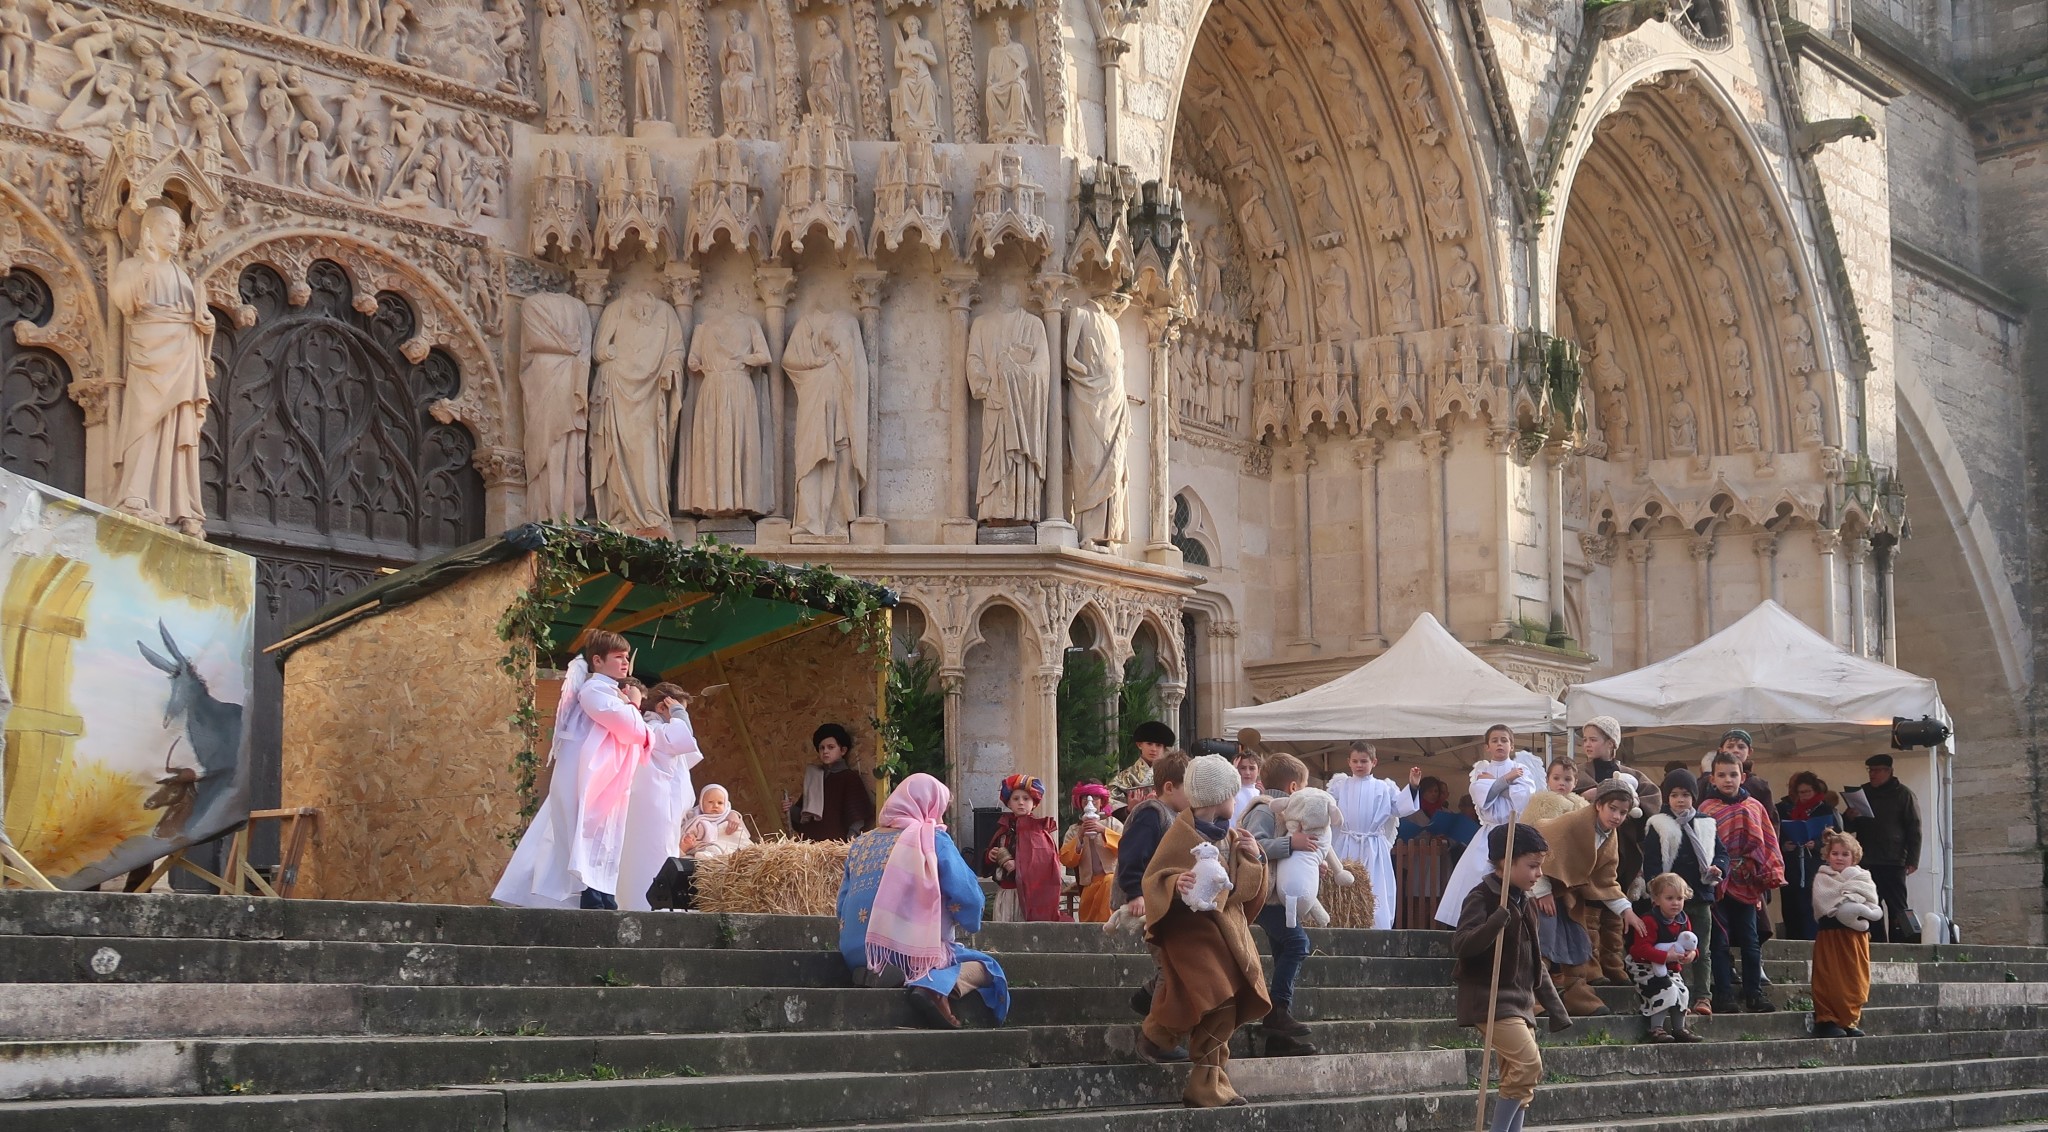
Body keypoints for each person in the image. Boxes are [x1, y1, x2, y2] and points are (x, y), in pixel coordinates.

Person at [494, 632, 671, 910]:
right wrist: (634, 703)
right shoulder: (594, 691)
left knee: (603, 837)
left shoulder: (612, 693)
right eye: (618, 657)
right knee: (587, 836)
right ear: (598, 661)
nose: (625, 662)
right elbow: (631, 728)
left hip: (608, 780)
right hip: (590, 780)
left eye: (626, 657)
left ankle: (601, 893)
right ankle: (590, 894)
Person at [1135, 754, 1270, 1108]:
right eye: (1232, 793)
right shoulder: (1181, 833)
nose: (1236, 799)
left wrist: (1254, 858)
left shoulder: (1234, 835)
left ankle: (1158, 1034)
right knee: (1219, 997)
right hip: (1189, 933)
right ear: (1218, 797)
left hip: (1223, 933)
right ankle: (1206, 1083)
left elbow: (1239, 893)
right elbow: (1154, 878)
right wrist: (1175, 882)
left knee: (1209, 996)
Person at [836, 773, 1010, 1029]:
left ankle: (877, 969)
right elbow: (969, 896)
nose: (940, 817)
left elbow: (842, 903)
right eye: (940, 809)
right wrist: (969, 920)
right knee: (989, 967)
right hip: (903, 951)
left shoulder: (862, 842)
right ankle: (932, 985)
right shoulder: (933, 839)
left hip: (854, 950)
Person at [1453, 822, 1571, 1132]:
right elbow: (1462, 944)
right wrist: (1494, 923)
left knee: (1518, 1078)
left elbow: (1535, 962)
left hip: (1520, 1002)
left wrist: (1555, 1008)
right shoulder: (1482, 897)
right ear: (1506, 862)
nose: (1539, 874)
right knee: (1528, 1066)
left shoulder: (1526, 902)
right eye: (1532, 866)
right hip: (1489, 999)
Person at [1531, 778, 1646, 1016]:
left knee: (1577, 941)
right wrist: (1542, 891)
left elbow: (1605, 880)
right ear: (1598, 805)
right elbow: (1539, 847)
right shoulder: (1571, 823)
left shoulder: (1609, 836)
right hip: (1541, 889)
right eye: (1612, 809)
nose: (1616, 816)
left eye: (1623, 812)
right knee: (1542, 942)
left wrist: (1627, 911)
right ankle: (1531, 998)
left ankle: (1577, 996)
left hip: (1569, 896)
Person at [1235, 752, 1317, 1056]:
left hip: (1275, 897)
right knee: (1297, 944)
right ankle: (1277, 1011)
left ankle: (1277, 1037)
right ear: (1295, 787)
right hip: (1264, 897)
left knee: (1285, 949)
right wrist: (1290, 845)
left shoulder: (1284, 813)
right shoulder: (1266, 810)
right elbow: (1251, 845)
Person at [1699, 750, 1784, 1014]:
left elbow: (1768, 842)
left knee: (1750, 939)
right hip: (1718, 883)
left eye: (1733, 774)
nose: (1728, 780)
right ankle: (1724, 994)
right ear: (1712, 779)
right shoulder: (1705, 809)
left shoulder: (1755, 807)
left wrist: (1764, 873)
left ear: (1743, 777)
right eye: (1722, 775)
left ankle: (1754, 993)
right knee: (1720, 940)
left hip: (1748, 882)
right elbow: (1700, 847)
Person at [1435, 725, 1540, 927]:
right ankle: (1477, 922)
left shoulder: (1521, 770)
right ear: (1487, 747)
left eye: (1504, 740)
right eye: (1495, 740)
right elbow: (1482, 795)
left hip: (1513, 831)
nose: (1500, 744)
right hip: (1489, 834)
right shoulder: (1481, 771)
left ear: (1512, 745)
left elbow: (1523, 797)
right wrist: (1506, 781)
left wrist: (1498, 783)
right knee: (1477, 876)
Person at [616, 682, 708, 912]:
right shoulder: (654, 729)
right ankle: (647, 908)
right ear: (661, 707)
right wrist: (678, 712)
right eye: (678, 709)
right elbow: (684, 738)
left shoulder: (655, 730)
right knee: (653, 861)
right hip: (655, 811)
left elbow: (688, 751)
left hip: (658, 810)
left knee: (655, 858)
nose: (682, 716)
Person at [1640, 768, 1725, 1015]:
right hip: (1669, 901)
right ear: (1666, 797)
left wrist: (1719, 868)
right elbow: (1652, 862)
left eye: (1686, 795)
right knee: (1670, 949)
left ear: (1694, 797)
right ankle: (1676, 997)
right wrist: (1657, 891)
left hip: (1699, 897)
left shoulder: (1706, 823)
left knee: (1702, 950)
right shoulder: (1658, 824)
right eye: (1674, 794)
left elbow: (1721, 853)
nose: (1680, 800)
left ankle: (1703, 997)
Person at [1118, 749, 1189, 1015]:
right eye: (1188, 788)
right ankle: (1157, 1030)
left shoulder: (1173, 815)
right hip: (1149, 901)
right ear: (1169, 787)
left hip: (1162, 900)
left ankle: (1146, 998)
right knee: (1169, 968)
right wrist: (1135, 892)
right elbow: (1133, 853)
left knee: (1173, 965)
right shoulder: (1151, 813)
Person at [1326, 740, 1423, 931]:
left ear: (1374, 762)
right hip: (1346, 843)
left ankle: (1375, 928)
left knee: (1376, 886)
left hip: (1373, 846)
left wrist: (1412, 786)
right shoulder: (1340, 786)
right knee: (1343, 886)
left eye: (1364, 761)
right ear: (1349, 762)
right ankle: (1341, 924)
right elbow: (1326, 806)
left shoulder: (1384, 787)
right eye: (1355, 761)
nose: (1359, 765)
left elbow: (1400, 807)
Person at [1575, 716, 1658, 902]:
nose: (1587, 744)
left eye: (1593, 739)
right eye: (1585, 739)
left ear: (1611, 743)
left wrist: (1627, 810)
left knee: (1617, 896)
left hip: (1623, 850)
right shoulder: (1576, 774)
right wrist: (1581, 798)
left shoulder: (1632, 776)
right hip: (1586, 848)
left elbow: (1652, 800)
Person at [1810, 830, 1880, 1037]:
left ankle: (1849, 1020)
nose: (1839, 858)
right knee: (1829, 978)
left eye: (1844, 854)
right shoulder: (1823, 878)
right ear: (1827, 855)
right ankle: (1827, 1020)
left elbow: (1869, 899)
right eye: (1835, 853)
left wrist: (1854, 903)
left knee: (1855, 979)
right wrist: (1847, 902)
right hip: (1831, 934)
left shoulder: (1863, 877)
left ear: (1854, 857)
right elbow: (1825, 901)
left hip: (1855, 937)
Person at [1847, 753, 1921, 942]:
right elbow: (1849, 829)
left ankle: (1903, 945)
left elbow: (1914, 828)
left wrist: (1913, 859)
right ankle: (1876, 943)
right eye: (1870, 770)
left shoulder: (1903, 794)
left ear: (1889, 771)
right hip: (1867, 859)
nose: (1873, 774)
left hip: (1894, 859)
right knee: (1871, 904)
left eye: (1877, 770)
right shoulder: (1862, 793)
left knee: (1898, 906)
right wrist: (1849, 817)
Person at [1626, 873, 1702, 1043]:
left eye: (1679, 898)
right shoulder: (1650, 920)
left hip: (1670, 968)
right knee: (1666, 989)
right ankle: (1656, 1028)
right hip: (1644, 966)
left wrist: (1692, 954)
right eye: (1669, 898)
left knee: (1682, 991)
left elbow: (1691, 943)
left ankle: (1679, 1028)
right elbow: (1640, 949)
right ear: (1656, 899)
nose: (1675, 903)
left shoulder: (1683, 920)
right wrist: (1665, 956)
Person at [660, 783, 753, 909]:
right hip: (706, 866)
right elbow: (680, 851)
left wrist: (733, 814)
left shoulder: (731, 819)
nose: (715, 806)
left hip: (729, 860)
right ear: (701, 802)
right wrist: (686, 846)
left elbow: (741, 840)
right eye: (710, 802)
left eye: (720, 803)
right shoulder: (693, 821)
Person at [985, 774, 1063, 921]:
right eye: (1016, 799)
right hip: (1006, 894)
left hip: (1030, 897)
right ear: (1008, 803)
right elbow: (987, 863)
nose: (1021, 802)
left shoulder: (1040, 832)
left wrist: (1019, 868)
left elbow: (1046, 867)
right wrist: (990, 855)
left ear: (1034, 803)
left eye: (1026, 799)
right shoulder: (1003, 830)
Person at [1776, 771, 1841, 941]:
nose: (1803, 796)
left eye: (1807, 792)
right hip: (1794, 867)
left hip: (1814, 866)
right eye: (1800, 792)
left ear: (1815, 791)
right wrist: (1785, 845)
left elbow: (1837, 838)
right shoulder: (1791, 810)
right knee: (1791, 908)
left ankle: (1812, 941)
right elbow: (1780, 835)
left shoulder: (1825, 810)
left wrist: (1818, 843)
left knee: (1811, 908)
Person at [788, 723, 875, 841]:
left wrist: (851, 839)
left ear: (843, 750)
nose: (825, 751)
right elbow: (803, 815)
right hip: (809, 846)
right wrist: (790, 808)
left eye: (831, 747)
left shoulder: (849, 777)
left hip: (834, 845)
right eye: (821, 748)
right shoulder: (815, 777)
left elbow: (856, 814)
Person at [1059, 781, 1122, 922]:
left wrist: (1103, 831)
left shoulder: (1113, 823)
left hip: (1110, 882)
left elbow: (1128, 848)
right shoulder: (1074, 830)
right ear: (1079, 802)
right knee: (1088, 922)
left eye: (1095, 797)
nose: (1090, 801)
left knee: (1108, 918)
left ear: (1102, 801)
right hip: (1088, 884)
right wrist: (1080, 836)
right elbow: (1066, 859)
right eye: (1085, 797)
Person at [1109, 720, 1175, 814]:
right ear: (1139, 745)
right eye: (1149, 744)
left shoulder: (1172, 773)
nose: (1153, 749)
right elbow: (1110, 802)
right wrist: (1128, 809)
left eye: (1158, 745)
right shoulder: (1125, 777)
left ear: (1164, 748)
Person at [1521, 757, 1587, 825]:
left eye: (1567, 779)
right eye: (1556, 778)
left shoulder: (1582, 807)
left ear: (1575, 783)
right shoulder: (1539, 804)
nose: (1561, 783)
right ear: (1547, 780)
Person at [1230, 751, 1264, 825]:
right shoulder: (1230, 789)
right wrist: (1232, 773)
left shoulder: (1261, 791)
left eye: (1252, 768)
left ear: (1259, 771)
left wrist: (1265, 797)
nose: (1247, 772)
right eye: (1243, 768)